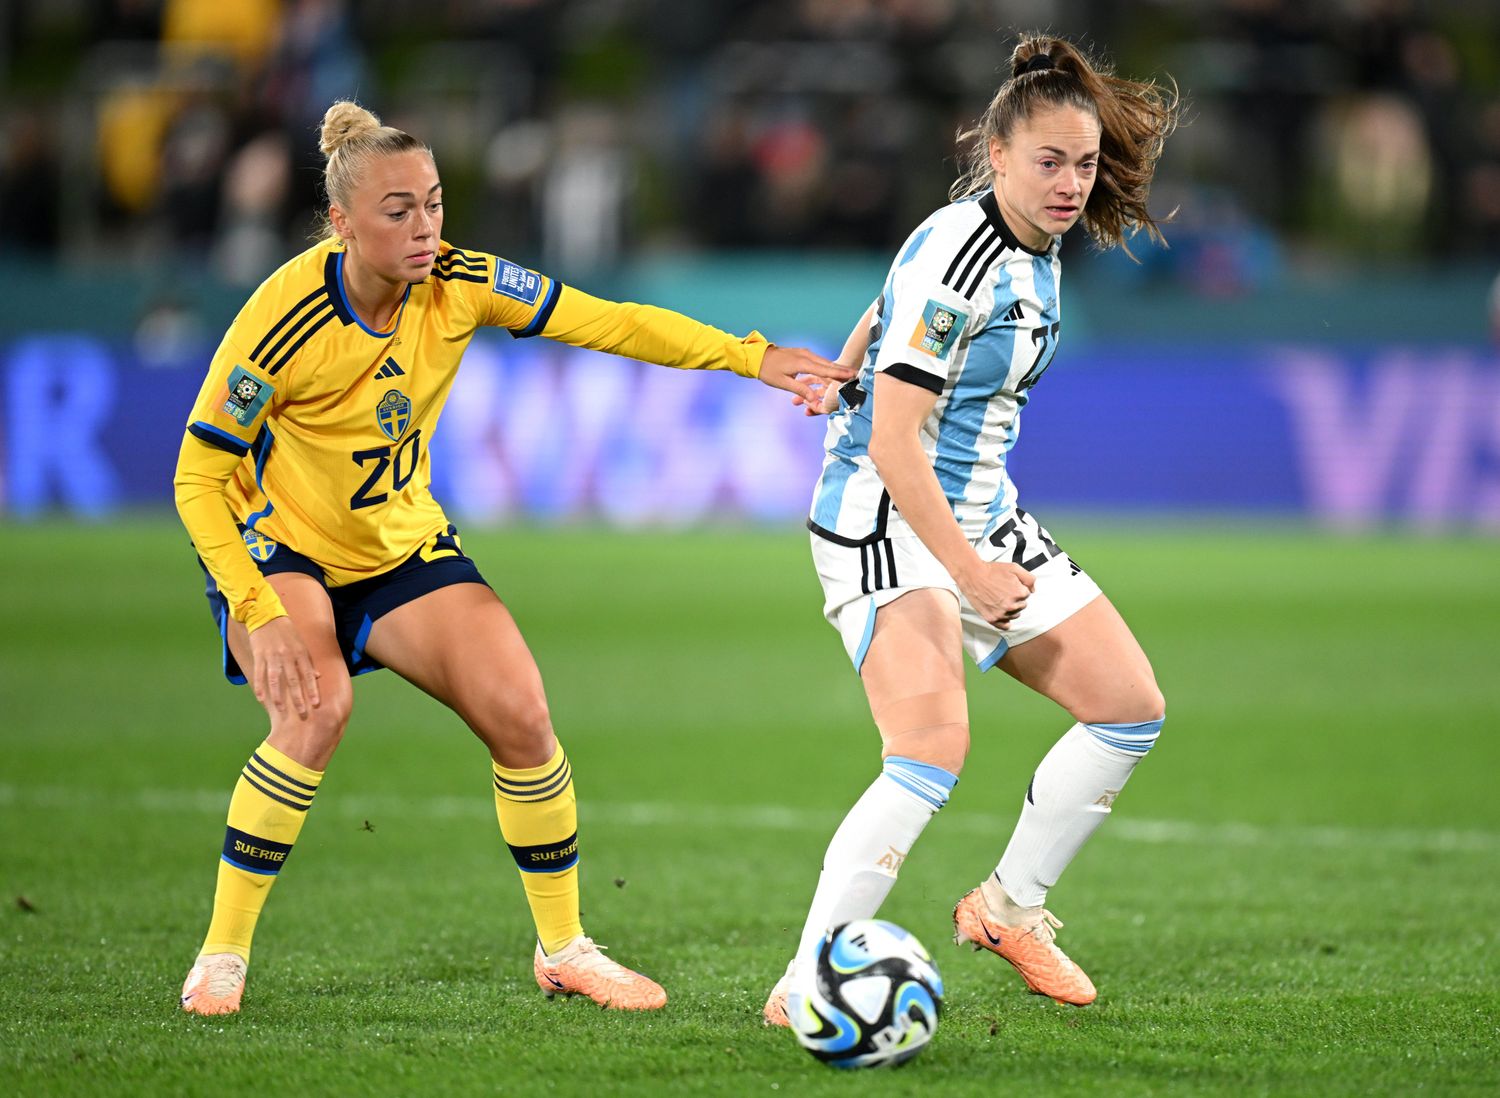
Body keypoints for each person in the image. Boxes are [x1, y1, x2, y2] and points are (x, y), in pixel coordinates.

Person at [173, 99, 850, 1017]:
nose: (425, 228)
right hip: (281, 545)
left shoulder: (462, 280)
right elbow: (197, 475)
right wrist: (254, 608)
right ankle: (221, 956)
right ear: (341, 224)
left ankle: (565, 947)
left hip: (399, 544)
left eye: (436, 202)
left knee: (524, 717)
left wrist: (751, 356)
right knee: (315, 706)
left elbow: (608, 322)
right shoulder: (282, 319)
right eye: (397, 211)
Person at [764, 35, 1180, 1024]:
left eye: (1083, 164)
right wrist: (966, 572)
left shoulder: (1016, 240)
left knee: (1129, 706)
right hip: (883, 511)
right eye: (1050, 162)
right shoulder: (969, 255)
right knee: (930, 746)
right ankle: (805, 981)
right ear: (995, 156)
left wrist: (846, 362)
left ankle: (1007, 909)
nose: (1072, 183)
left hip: (978, 511)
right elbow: (899, 443)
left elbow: (887, 297)